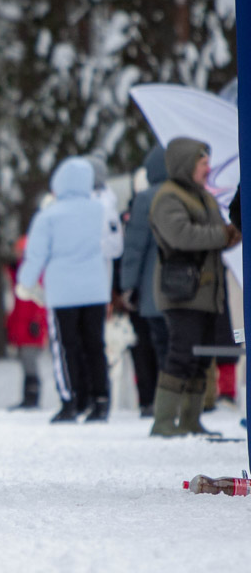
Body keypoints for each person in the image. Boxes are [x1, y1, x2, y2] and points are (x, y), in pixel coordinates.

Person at [16, 157, 123, 423]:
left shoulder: (49, 215)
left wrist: (25, 283)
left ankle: (71, 400)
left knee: (66, 347)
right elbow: (115, 246)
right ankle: (101, 400)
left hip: (62, 293)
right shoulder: (101, 210)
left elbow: (36, 253)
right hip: (95, 290)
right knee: (94, 346)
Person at [146, 137, 240, 437]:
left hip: (206, 294)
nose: (208, 169)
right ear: (187, 164)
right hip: (182, 293)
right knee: (182, 353)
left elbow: (212, 234)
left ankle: (190, 420)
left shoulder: (202, 196)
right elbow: (182, 236)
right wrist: (222, 235)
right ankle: (163, 422)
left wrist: (229, 235)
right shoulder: (169, 197)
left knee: (200, 357)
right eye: (202, 163)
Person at [120, 145, 169, 417]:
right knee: (181, 347)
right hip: (189, 289)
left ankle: (158, 403)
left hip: (153, 287)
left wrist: (128, 285)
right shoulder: (190, 195)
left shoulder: (146, 199)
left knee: (156, 345)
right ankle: (187, 403)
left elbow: (135, 246)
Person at [5, 236, 47, 410]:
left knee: (30, 361)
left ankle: (33, 397)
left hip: (32, 326)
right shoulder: (18, 272)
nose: (18, 253)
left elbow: (40, 300)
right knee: (24, 360)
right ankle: (28, 397)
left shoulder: (36, 271)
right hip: (21, 324)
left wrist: (37, 321)